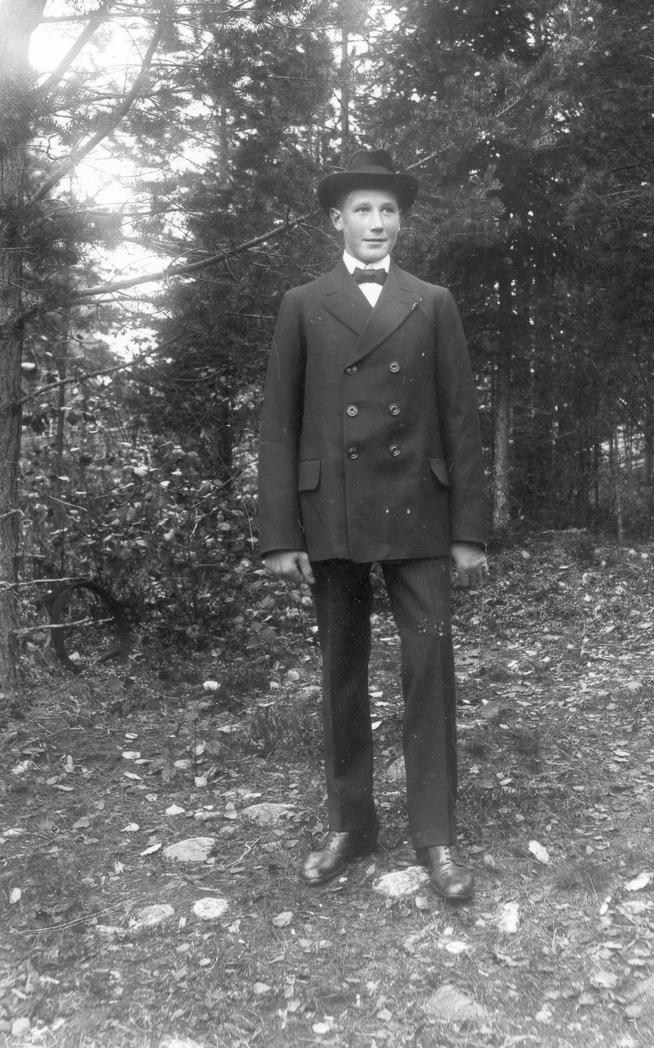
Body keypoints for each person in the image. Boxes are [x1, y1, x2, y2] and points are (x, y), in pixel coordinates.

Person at [257, 148, 488, 900]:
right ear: (338, 220)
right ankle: (350, 825)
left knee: (429, 671)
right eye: (363, 209)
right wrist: (279, 534)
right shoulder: (302, 303)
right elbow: (279, 422)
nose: (377, 222)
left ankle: (435, 837)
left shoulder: (433, 301)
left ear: (401, 223)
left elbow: (460, 417)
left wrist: (468, 530)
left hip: (419, 509)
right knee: (341, 672)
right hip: (332, 511)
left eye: (388, 210)